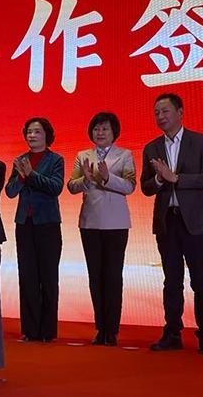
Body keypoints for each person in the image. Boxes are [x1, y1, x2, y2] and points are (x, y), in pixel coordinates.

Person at [140, 93, 203, 356]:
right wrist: (160, 180)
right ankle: (172, 333)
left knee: (201, 281)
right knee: (171, 281)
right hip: (168, 222)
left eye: (165, 111)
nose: (160, 116)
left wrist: (175, 178)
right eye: (156, 113)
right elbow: (146, 187)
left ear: (180, 112)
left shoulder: (201, 141)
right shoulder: (152, 148)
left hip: (196, 223)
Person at [67, 112, 136, 346]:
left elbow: (130, 186)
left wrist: (108, 178)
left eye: (105, 128)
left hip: (116, 224)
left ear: (114, 132)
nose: (100, 132)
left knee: (113, 276)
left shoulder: (125, 155)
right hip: (90, 223)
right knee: (95, 276)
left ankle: (112, 330)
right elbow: (71, 186)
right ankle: (100, 328)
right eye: (96, 129)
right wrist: (86, 180)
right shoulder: (82, 155)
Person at [5, 117, 64, 342]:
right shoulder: (20, 160)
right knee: (27, 276)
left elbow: (55, 187)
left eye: (37, 132)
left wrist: (32, 175)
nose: (32, 135)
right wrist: (21, 177)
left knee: (48, 276)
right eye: (29, 132)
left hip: (48, 223)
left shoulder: (56, 159)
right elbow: (10, 191)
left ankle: (47, 331)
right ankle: (30, 330)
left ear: (47, 135)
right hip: (24, 224)